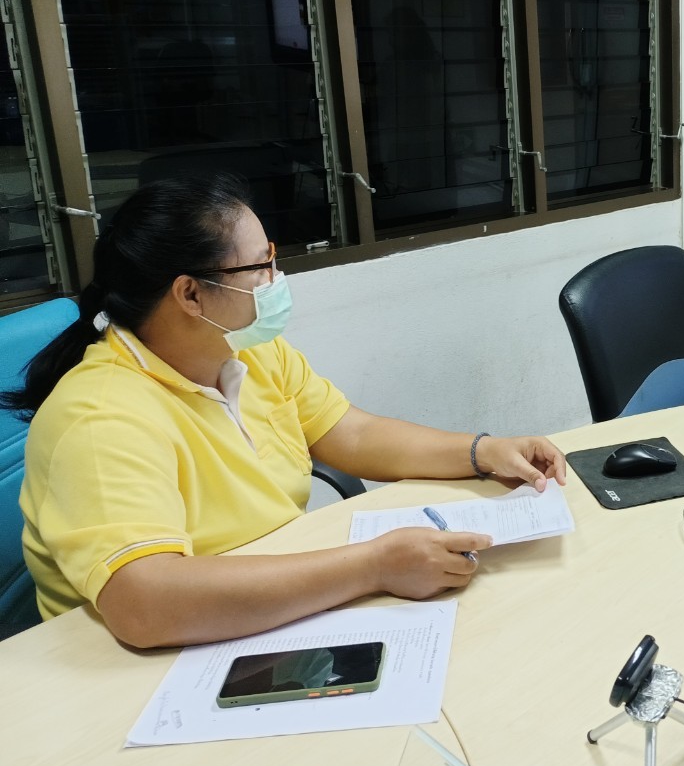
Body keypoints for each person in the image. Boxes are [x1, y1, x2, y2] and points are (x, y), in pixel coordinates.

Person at [9, 176, 567, 649]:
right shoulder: (100, 418)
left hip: (269, 606)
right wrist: (374, 567)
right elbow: (146, 603)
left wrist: (482, 451)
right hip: (146, 663)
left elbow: (351, 432)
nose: (275, 280)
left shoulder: (245, 351)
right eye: (261, 265)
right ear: (190, 294)